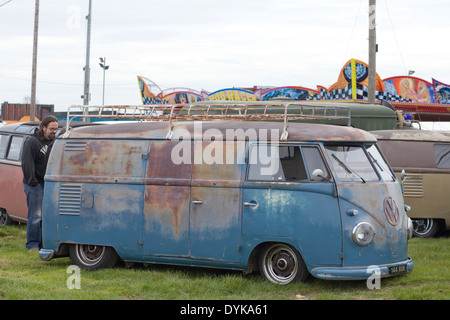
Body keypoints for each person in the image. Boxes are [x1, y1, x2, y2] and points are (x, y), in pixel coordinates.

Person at [21, 115, 58, 252]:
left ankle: (43, 244)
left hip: (48, 184)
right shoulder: (32, 142)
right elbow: (26, 163)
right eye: (51, 129)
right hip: (34, 184)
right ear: (43, 127)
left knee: (46, 216)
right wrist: (33, 183)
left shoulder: (54, 142)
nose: (54, 131)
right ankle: (32, 245)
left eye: (56, 128)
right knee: (35, 216)